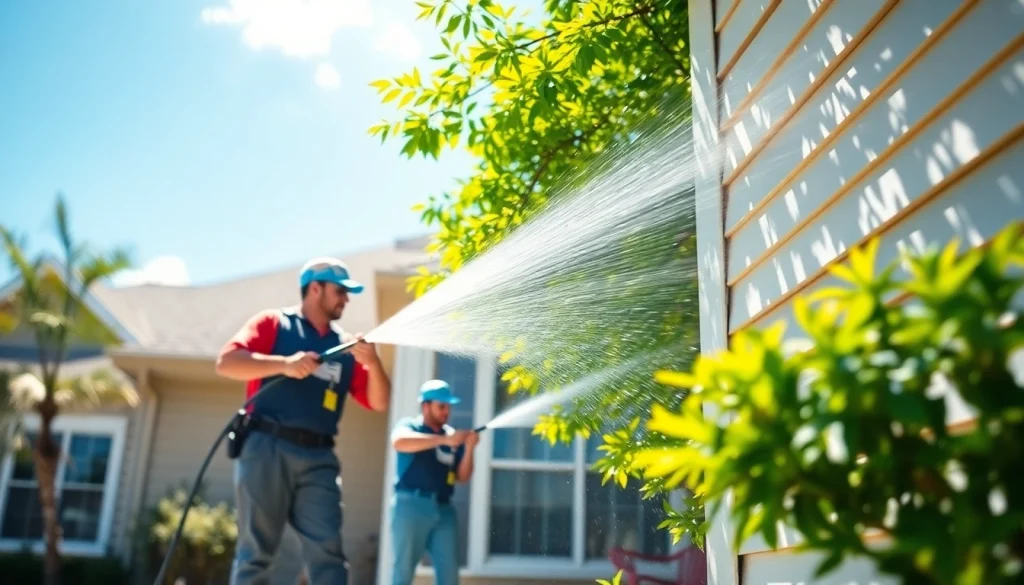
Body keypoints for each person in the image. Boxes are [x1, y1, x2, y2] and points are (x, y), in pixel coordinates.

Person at [214, 256, 391, 585]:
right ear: (315, 289)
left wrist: (374, 364)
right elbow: (226, 363)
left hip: (319, 458)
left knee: (329, 555)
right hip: (266, 448)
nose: (346, 299)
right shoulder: (274, 324)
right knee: (256, 554)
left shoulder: (344, 347)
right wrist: (284, 364)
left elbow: (379, 402)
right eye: (340, 291)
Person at [389, 379, 479, 585]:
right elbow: (399, 442)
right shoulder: (410, 425)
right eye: (441, 406)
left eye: (448, 406)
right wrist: (444, 440)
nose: (446, 411)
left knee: (449, 574)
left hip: (444, 509)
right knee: (402, 571)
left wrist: (469, 449)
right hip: (411, 505)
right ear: (425, 406)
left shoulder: (451, 436)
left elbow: (462, 477)